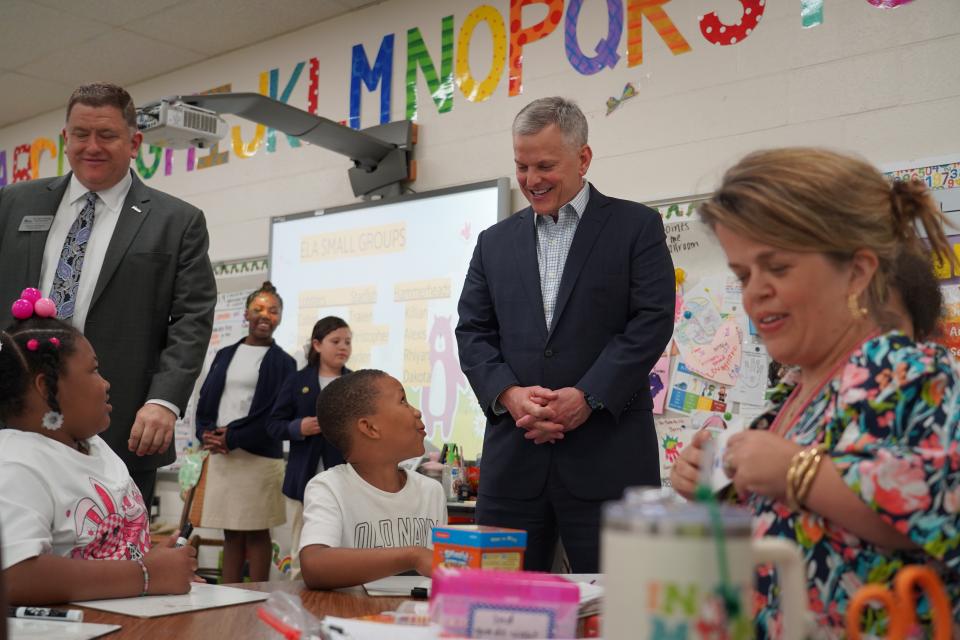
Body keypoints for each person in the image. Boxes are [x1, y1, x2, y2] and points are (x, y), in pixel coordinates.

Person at [669, 148, 960, 637]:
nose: (754, 292)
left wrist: (796, 472)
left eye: (777, 268)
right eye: (743, 275)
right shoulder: (794, 393)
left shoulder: (905, 371)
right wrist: (714, 484)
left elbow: (936, 510)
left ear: (857, 271)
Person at [455, 97, 675, 572]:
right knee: (502, 604)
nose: (531, 179)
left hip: (610, 461)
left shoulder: (636, 227)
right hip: (514, 463)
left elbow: (651, 321)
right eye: (522, 166)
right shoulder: (493, 243)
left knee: (620, 604)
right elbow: (473, 331)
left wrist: (588, 396)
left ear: (583, 158)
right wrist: (509, 395)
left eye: (545, 166)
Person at [0, 82, 217, 508]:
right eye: (81, 134)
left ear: (134, 143)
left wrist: (164, 401)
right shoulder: (13, 204)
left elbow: (192, 319)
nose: (92, 147)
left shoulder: (177, 221)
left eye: (107, 135)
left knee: (112, 542)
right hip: (15, 412)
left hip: (123, 421)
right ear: (65, 139)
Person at [0, 290, 197, 604]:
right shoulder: (15, 462)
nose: (105, 383)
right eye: (93, 370)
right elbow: (15, 576)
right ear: (47, 387)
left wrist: (162, 566)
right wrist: (147, 575)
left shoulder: (95, 446)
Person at [299, 370, 447, 590]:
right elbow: (314, 566)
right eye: (403, 401)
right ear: (370, 428)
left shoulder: (431, 491)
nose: (416, 411)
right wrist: (413, 556)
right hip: (352, 611)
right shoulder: (329, 488)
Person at [195, 282, 295, 583]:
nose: (265, 315)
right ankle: (227, 595)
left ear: (280, 318)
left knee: (257, 532)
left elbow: (273, 412)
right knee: (231, 533)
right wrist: (205, 433)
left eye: (273, 311)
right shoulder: (225, 354)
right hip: (222, 455)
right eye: (258, 309)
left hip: (258, 455)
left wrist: (233, 437)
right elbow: (207, 399)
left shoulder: (285, 363)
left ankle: (256, 597)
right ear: (246, 314)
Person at [267, 316, 352, 578]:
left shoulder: (355, 383)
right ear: (317, 344)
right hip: (302, 479)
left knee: (343, 547)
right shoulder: (297, 380)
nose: (343, 347)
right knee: (301, 549)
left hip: (346, 481)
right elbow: (273, 425)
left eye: (348, 342)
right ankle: (298, 598)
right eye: (336, 341)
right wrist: (298, 427)